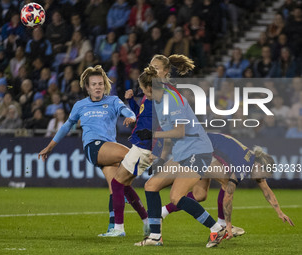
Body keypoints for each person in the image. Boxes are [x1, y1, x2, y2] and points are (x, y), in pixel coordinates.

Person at [38, 65, 149, 231]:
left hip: (108, 150)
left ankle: (136, 224)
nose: (98, 87)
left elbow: (127, 111)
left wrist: (132, 117)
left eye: (100, 84)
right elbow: (66, 127)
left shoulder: (112, 101)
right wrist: (49, 146)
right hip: (93, 147)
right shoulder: (80, 105)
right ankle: (151, 169)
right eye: (94, 84)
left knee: (119, 186)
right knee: (132, 155)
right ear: (88, 87)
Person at [133, 54, 227, 248]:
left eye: (144, 90)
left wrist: (152, 135)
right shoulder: (159, 99)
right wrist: (159, 156)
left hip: (198, 151)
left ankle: (217, 229)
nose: (144, 94)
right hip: (182, 152)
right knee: (151, 186)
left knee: (176, 197)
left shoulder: (170, 98)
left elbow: (179, 130)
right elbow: (170, 134)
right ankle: (155, 237)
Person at [160, 133, 294, 238]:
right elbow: (228, 197)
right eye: (264, 173)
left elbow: (266, 190)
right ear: (259, 166)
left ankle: (162, 212)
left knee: (199, 195)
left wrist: (279, 212)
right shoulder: (244, 166)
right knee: (226, 183)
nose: (262, 178)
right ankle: (222, 224)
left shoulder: (252, 161)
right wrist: (229, 225)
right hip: (199, 149)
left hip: (201, 146)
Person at [98, 65, 157, 237]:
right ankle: (146, 221)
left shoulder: (158, 102)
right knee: (123, 184)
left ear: (149, 87)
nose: (142, 91)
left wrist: (155, 147)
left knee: (117, 183)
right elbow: (141, 117)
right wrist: (131, 102)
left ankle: (118, 228)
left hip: (143, 148)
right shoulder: (148, 98)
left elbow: (160, 126)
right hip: (141, 146)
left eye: (143, 88)